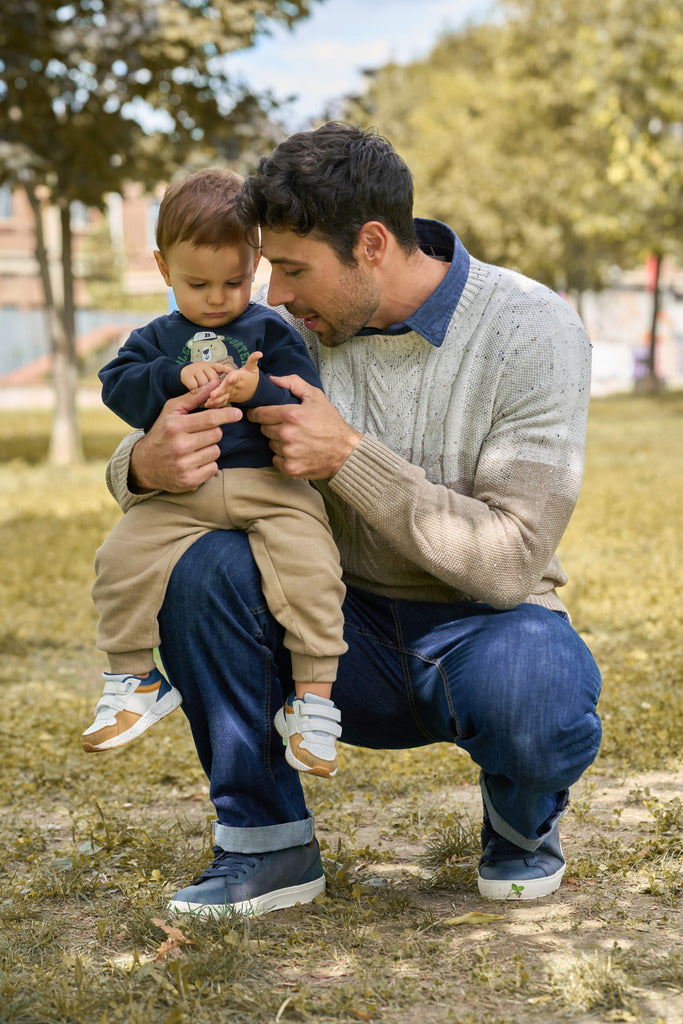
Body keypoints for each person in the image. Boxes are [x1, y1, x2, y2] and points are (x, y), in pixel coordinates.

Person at [104, 122, 602, 916]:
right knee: (201, 570)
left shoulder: (531, 328)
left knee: (537, 689)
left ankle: (519, 822)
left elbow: (508, 560)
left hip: (484, 623)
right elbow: (168, 441)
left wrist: (347, 457)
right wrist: (137, 466)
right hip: (327, 630)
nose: (275, 296)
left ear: (371, 244)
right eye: (270, 268)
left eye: (294, 269)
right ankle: (266, 846)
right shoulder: (281, 331)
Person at [81, 167, 346, 780]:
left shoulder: (270, 329)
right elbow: (116, 387)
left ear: (255, 265)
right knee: (120, 558)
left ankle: (312, 700)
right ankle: (133, 678)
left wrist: (260, 387)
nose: (218, 297)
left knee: (312, 569)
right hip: (184, 492)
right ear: (163, 266)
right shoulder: (155, 338)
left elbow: (306, 398)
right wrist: (173, 379)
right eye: (197, 283)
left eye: (234, 281)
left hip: (271, 488)